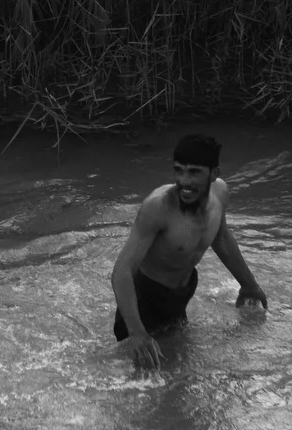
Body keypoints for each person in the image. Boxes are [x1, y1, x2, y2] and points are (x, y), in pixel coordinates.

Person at [109, 134, 267, 366]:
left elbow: (221, 238)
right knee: (143, 387)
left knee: (182, 377)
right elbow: (121, 273)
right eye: (179, 170)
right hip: (145, 303)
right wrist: (137, 334)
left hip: (181, 296)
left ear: (214, 174)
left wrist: (249, 285)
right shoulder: (158, 206)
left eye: (194, 172)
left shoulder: (220, 194)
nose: (184, 181)